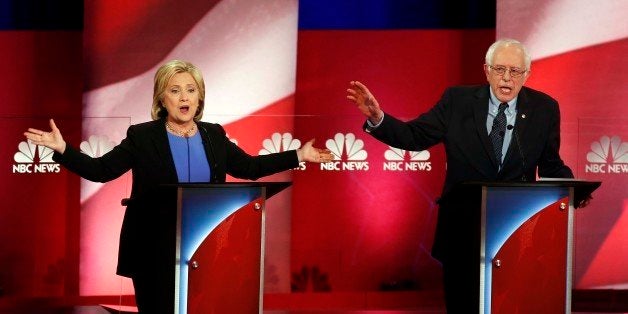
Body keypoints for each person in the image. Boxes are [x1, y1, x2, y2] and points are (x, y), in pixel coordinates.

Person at [25, 59, 333, 313]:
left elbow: (249, 167)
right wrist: (63, 149)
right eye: (175, 90)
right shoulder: (142, 136)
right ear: (162, 98)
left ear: (200, 97)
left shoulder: (214, 135)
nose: (184, 97)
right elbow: (101, 170)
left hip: (207, 249)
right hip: (153, 252)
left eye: (190, 90)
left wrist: (298, 155)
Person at [346, 38, 575, 313]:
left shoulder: (544, 108)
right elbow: (414, 135)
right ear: (486, 70)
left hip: (516, 233)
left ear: (527, 74)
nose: (506, 78)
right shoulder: (458, 101)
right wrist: (378, 118)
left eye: (515, 71)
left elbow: (550, 164)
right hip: (462, 232)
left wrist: (573, 187)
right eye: (499, 69)